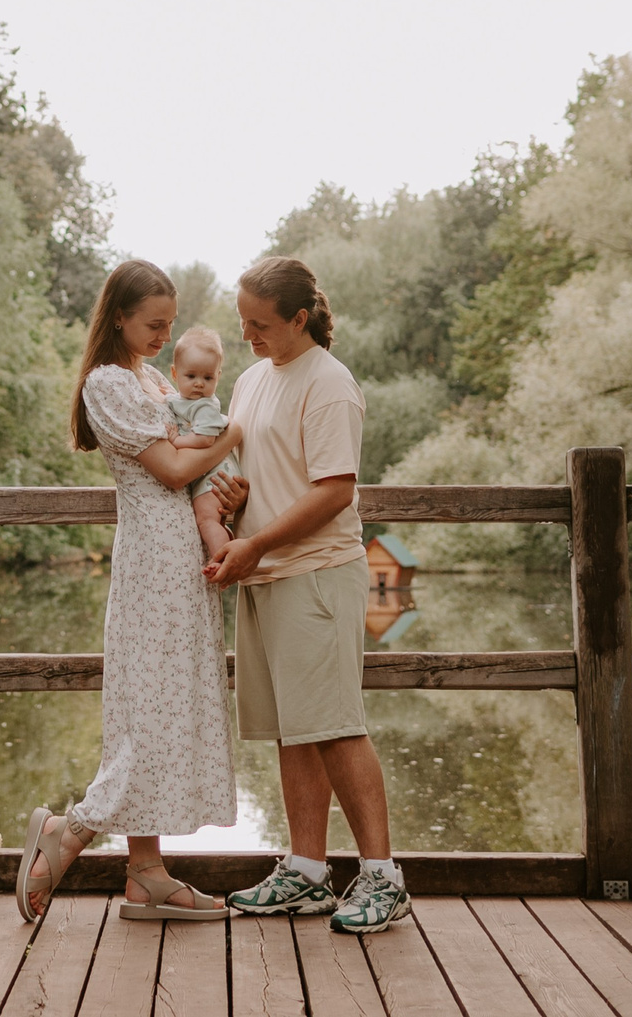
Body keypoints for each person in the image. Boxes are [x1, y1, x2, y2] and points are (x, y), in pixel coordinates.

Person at [17, 260, 244, 924]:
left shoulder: (154, 379)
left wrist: (230, 492)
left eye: (170, 325)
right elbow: (173, 467)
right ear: (119, 315)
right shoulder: (108, 384)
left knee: (168, 705)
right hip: (151, 562)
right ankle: (70, 832)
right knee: (146, 714)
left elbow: (197, 475)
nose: (163, 336)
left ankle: (145, 872)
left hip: (183, 560)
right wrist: (232, 433)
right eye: (153, 323)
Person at [205, 255, 410, 935]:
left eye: (260, 324)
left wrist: (255, 544)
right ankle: (308, 871)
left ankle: (383, 878)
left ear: (300, 317)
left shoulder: (329, 381)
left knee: (335, 726)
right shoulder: (252, 380)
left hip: (316, 573)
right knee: (296, 729)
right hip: (264, 573)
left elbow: (334, 489)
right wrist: (234, 504)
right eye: (242, 322)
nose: (247, 336)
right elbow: (254, 472)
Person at [169, 326, 239, 563]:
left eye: (208, 378)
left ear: (218, 376)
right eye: (191, 377)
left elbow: (205, 439)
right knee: (210, 520)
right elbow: (172, 402)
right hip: (207, 473)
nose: (199, 384)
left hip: (217, 474)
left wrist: (178, 441)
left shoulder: (206, 406)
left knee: (206, 519)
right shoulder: (182, 400)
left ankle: (221, 560)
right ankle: (224, 540)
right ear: (175, 374)